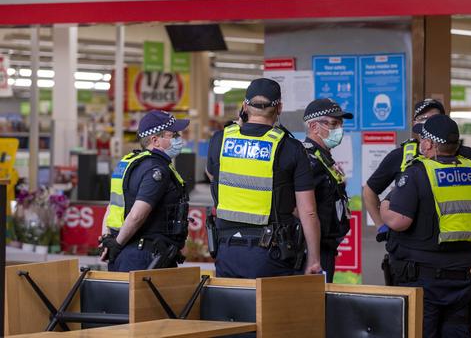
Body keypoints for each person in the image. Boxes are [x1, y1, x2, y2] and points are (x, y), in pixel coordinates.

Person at [380, 114, 471, 337]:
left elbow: (398, 221)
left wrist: (385, 205)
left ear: (429, 144)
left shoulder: (417, 172)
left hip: (423, 282)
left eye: (422, 138)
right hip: (460, 280)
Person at [205, 78, 322, 277]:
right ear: (279, 108)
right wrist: (314, 259)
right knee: (270, 308)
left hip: (227, 250)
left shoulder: (221, 140)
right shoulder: (290, 148)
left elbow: (213, 175)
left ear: (244, 106)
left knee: (233, 308)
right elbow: (308, 211)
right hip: (271, 253)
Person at [363, 99, 471, 238]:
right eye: (422, 118)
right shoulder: (401, 156)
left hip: (455, 246)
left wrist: (466, 223)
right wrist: (381, 227)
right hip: (412, 247)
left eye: (434, 118)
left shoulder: (468, 157)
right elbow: (369, 191)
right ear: (414, 123)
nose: (427, 122)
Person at [100, 110, 190, 271]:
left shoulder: (130, 164)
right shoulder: (157, 169)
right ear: (155, 140)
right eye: (173, 135)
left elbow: (112, 206)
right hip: (145, 257)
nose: (179, 138)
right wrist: (117, 244)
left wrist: (109, 240)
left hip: (126, 253)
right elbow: (137, 215)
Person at [302, 98, 353, 282]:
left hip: (327, 247)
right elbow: (298, 206)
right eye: (333, 123)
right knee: (313, 305)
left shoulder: (323, 158)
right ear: (314, 126)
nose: (339, 129)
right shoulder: (308, 160)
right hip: (313, 250)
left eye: (340, 123)